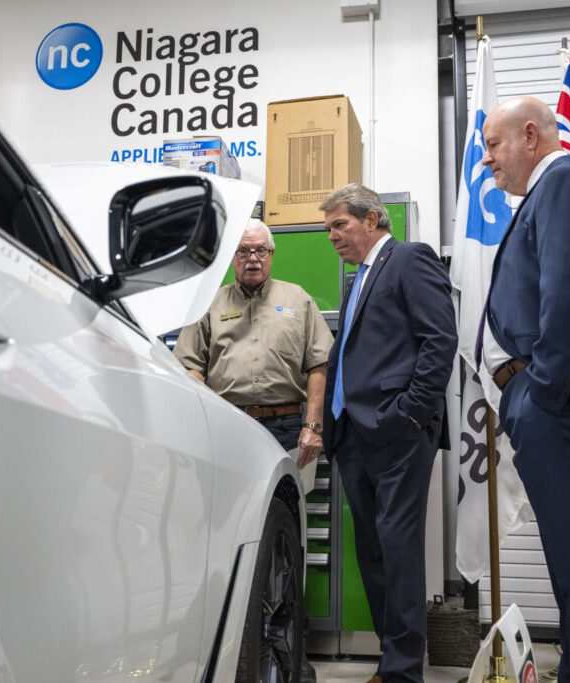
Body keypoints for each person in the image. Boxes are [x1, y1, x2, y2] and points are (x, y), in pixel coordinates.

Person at [479, 96, 570, 683]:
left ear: (530, 135)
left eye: (493, 145)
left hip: (553, 405)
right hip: (545, 405)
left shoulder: (563, 181)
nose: (487, 159)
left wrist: (541, 394)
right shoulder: (550, 192)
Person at [173, 218, 332, 683]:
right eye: (243, 251)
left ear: (272, 254)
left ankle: (289, 651)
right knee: (224, 535)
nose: (253, 259)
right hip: (229, 428)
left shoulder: (298, 300)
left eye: (260, 250)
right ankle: (228, 648)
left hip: (288, 427)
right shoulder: (209, 304)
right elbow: (190, 367)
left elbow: (318, 366)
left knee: (286, 540)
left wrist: (312, 425)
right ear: (232, 258)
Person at [320, 183, 456, 683]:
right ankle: (389, 659)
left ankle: (402, 671)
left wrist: (411, 415)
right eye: (329, 226)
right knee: (373, 552)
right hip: (353, 434)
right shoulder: (360, 277)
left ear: (372, 219)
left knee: (398, 550)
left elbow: (439, 340)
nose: (331, 235)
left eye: (340, 224)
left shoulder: (409, 259)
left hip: (395, 432)